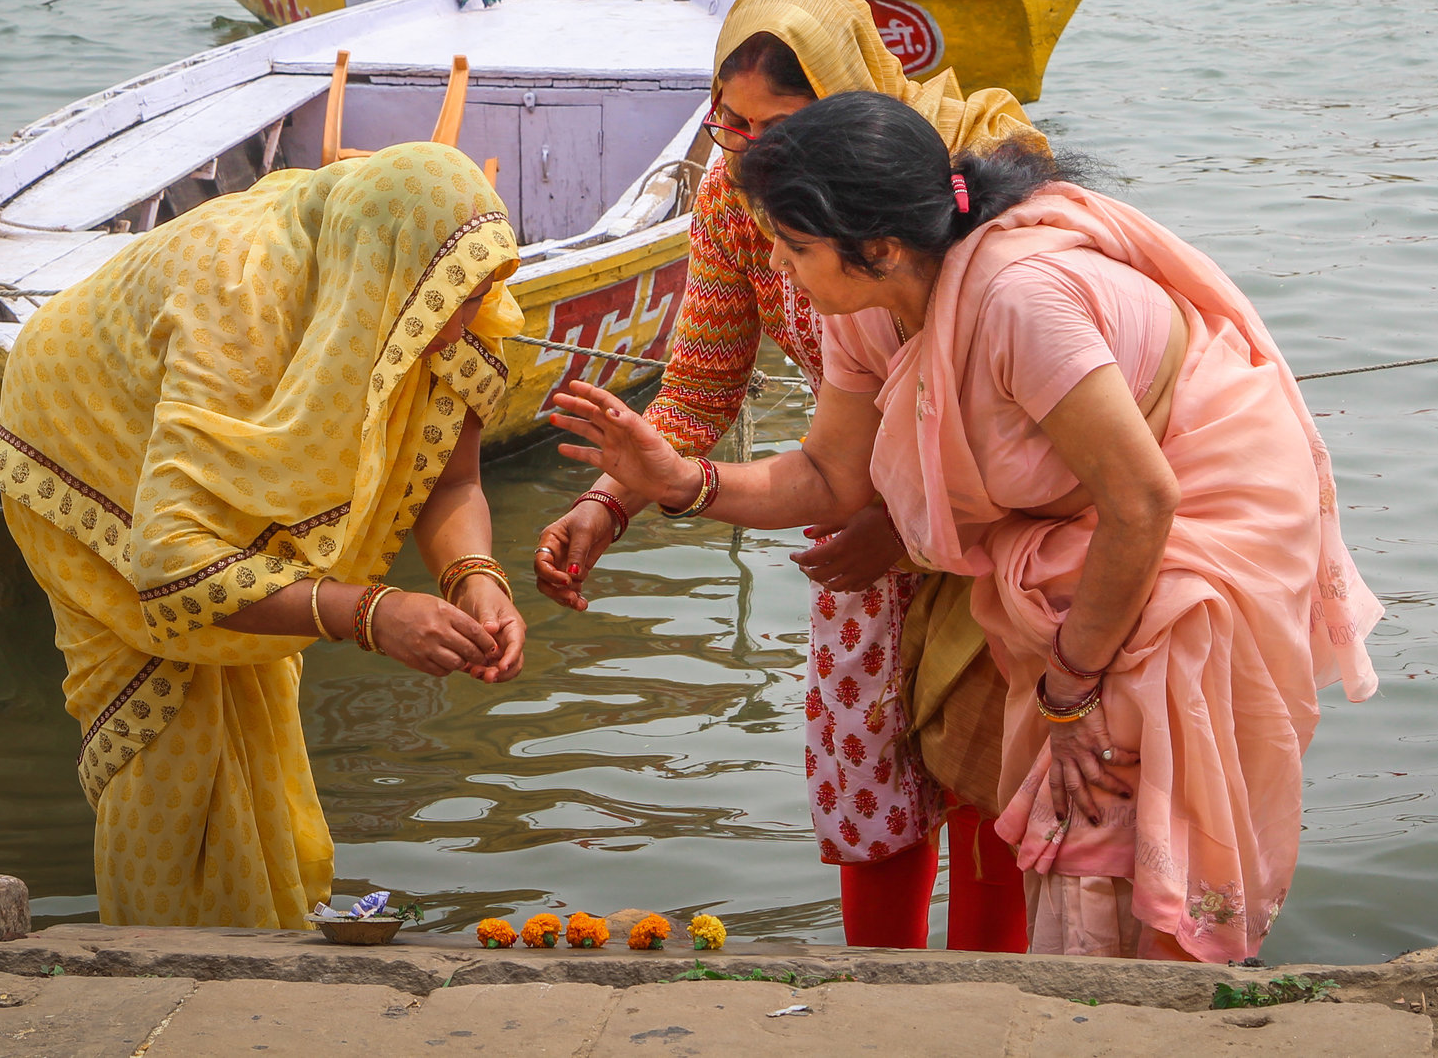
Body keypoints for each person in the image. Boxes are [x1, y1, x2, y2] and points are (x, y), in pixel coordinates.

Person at [548, 93, 1383, 962]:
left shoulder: (1022, 300)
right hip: (1086, 516)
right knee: (1077, 807)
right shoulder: (870, 305)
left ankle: (1169, 997)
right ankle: (1093, 1001)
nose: (782, 270)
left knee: (1119, 780)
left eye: (795, 248)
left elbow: (1143, 499)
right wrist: (682, 482)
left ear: (878, 247)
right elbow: (831, 475)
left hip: (1204, 499)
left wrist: (1072, 683)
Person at [533, 0, 1038, 952]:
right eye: (729, 123)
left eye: (776, 127)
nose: (748, 151)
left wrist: (914, 518)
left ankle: (990, 1000)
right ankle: (871, 1001)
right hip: (848, 493)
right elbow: (699, 385)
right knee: (865, 783)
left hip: (999, 508)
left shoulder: (964, 163)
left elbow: (1032, 391)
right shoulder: (734, 201)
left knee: (992, 775)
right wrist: (610, 499)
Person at [0, 144, 529, 928]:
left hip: (168, 431)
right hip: (81, 434)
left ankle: (270, 926)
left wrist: (477, 579)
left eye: (476, 296)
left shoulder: (445, 288)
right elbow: (172, 566)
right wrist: (370, 613)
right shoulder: (239, 297)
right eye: (453, 303)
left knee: (254, 681)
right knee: (165, 724)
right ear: (388, 276)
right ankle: (159, 972)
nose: (464, 321)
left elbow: (454, 478)